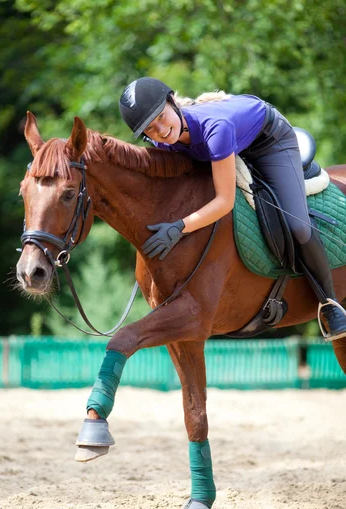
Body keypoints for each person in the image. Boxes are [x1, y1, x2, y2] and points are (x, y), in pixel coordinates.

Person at [119, 76, 346, 341]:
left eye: (160, 116)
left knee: (296, 224)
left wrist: (180, 226)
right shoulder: (164, 142)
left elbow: (224, 202)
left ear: (171, 101)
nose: (160, 129)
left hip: (269, 141)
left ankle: (330, 304)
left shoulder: (216, 128)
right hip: (227, 144)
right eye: (150, 128)